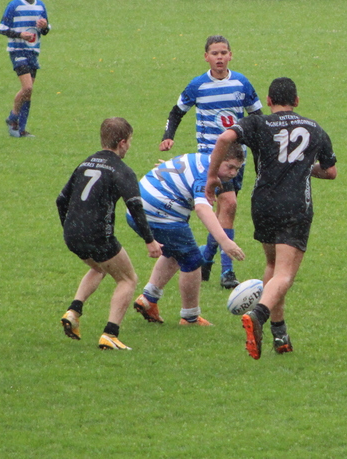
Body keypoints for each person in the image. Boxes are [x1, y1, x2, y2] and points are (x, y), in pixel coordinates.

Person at [206, 78, 338, 359]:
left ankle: (280, 334)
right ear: (297, 101)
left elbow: (224, 138)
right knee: (285, 274)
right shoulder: (314, 128)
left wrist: (211, 176)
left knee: (272, 265)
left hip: (263, 205)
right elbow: (330, 171)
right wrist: (304, 166)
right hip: (295, 207)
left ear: (268, 101)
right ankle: (259, 315)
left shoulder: (258, 123)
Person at [158, 35, 262, 289]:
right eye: (214, 53)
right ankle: (227, 272)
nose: (219, 57)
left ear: (231, 55)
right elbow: (177, 111)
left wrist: (262, 147)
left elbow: (257, 117)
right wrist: (168, 136)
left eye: (223, 52)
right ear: (206, 57)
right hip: (211, 159)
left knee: (225, 211)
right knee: (229, 204)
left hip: (237, 159)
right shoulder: (198, 85)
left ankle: (205, 259)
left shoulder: (241, 83)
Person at [58, 118, 164, 350]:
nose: (129, 146)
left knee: (100, 267)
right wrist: (150, 241)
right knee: (128, 279)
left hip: (72, 235)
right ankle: (110, 334)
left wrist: (69, 227)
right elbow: (135, 207)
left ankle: (73, 312)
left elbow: (61, 200)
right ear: (122, 142)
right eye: (130, 141)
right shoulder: (121, 170)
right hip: (98, 236)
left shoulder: (85, 164)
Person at [130, 147, 247, 327]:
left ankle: (148, 299)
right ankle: (190, 318)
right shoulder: (205, 174)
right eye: (230, 167)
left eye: (237, 169)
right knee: (192, 260)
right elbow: (202, 209)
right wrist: (225, 241)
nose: (233, 173)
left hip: (137, 210)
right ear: (217, 159)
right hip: (157, 212)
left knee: (176, 252)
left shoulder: (200, 159)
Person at [0, 0, 50, 138]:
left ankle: (20, 129)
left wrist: (44, 26)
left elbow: (45, 31)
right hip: (17, 50)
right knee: (27, 87)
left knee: (28, 92)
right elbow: (2, 29)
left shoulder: (40, 6)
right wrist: (20, 35)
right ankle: (13, 117)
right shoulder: (14, 6)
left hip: (33, 51)